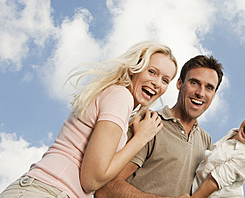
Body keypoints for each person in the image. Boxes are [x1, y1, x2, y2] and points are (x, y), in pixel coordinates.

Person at [0, 41, 178, 198]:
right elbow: (92, 180)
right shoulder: (120, 96)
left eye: (165, 80)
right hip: (47, 190)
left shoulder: (116, 97)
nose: (157, 83)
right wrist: (141, 138)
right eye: (152, 72)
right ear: (134, 68)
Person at [95, 55, 224, 198]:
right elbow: (105, 189)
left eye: (209, 88)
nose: (200, 93)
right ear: (180, 83)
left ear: (214, 94)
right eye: (194, 83)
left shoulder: (205, 140)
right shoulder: (148, 123)